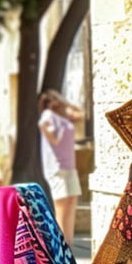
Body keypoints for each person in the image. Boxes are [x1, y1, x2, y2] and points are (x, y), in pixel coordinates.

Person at [38, 90, 83, 245]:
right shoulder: (48, 115)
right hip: (57, 169)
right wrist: (46, 129)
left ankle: (69, 249)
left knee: (71, 207)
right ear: (51, 102)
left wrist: (66, 102)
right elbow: (54, 139)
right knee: (62, 211)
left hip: (70, 167)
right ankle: (62, 250)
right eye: (57, 99)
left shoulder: (63, 117)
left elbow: (81, 114)